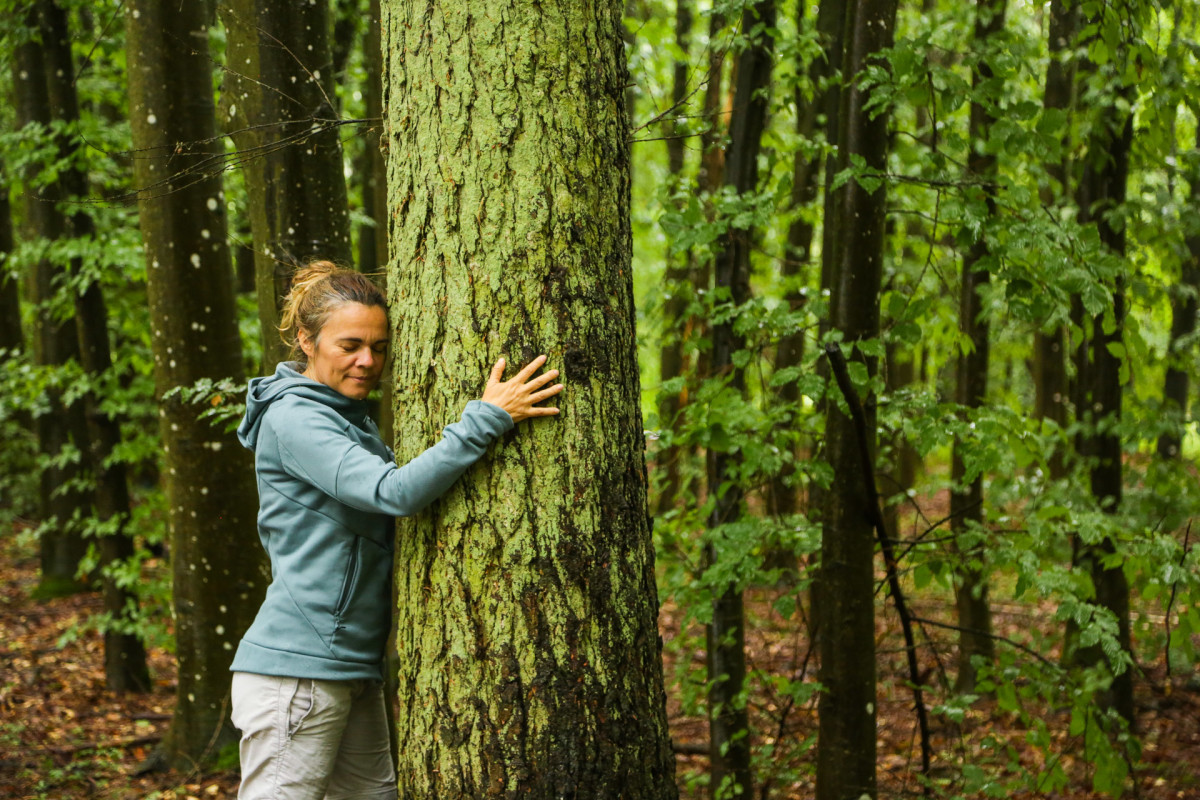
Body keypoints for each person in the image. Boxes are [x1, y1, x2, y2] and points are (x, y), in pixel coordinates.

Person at [229, 261, 563, 800]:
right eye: (350, 344)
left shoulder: (344, 415)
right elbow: (395, 492)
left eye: (379, 347)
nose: (368, 361)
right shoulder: (295, 418)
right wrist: (487, 417)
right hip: (299, 673)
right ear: (305, 340)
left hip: (349, 666)